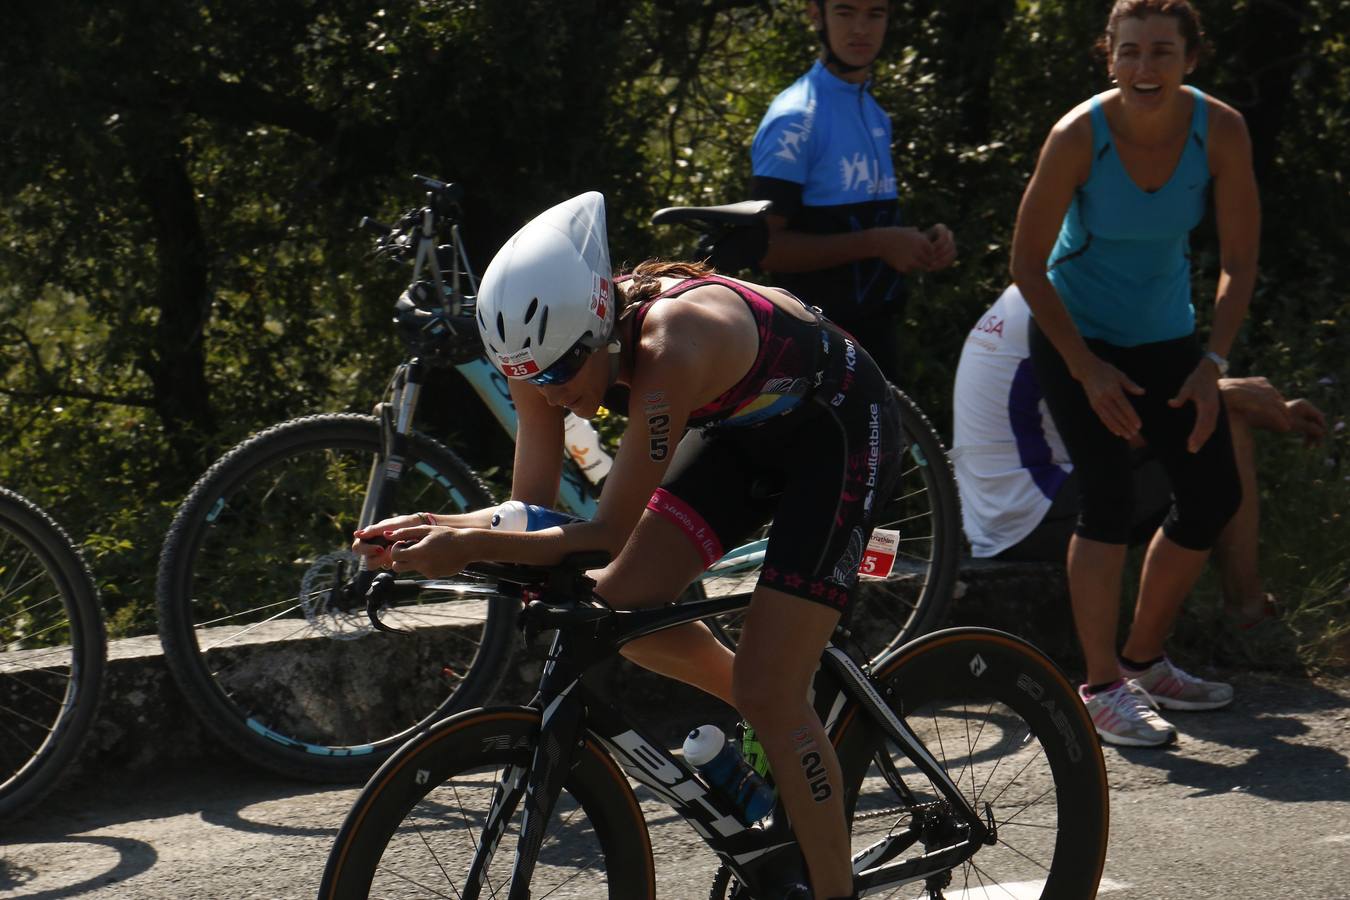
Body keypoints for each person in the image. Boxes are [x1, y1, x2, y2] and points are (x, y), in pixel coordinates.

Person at [353, 192, 902, 899]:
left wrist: (460, 548)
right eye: (527, 383)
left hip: (839, 432)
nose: (547, 398)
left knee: (771, 689)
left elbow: (602, 532)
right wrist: (442, 526)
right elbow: (533, 511)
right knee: (618, 611)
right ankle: (776, 712)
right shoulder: (538, 353)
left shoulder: (669, 347)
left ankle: (828, 870)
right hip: (746, 431)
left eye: (556, 378)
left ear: (600, 329)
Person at [1009, 0, 1265, 747]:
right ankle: (1100, 688)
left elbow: (1240, 262)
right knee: (1108, 496)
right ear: (1108, 56)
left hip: (1167, 336)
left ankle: (1145, 660)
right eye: (1129, 52)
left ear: (1191, 57)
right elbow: (1026, 264)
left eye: (1161, 52)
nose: (1143, 68)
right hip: (1074, 336)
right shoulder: (1075, 136)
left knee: (1212, 490)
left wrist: (1212, 363)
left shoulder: (1220, 130)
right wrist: (1086, 371)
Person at [952, 284, 1325, 620]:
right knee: (1225, 428)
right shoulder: (1073, 304)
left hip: (1006, 511)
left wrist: (1233, 397)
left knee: (1216, 420)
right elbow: (1122, 428)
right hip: (1029, 516)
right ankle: (1246, 610)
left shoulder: (1043, 291)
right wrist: (1229, 396)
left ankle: (1193, 609)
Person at [748, 0, 956, 382]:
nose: (861, 28)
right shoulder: (796, 118)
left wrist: (923, 241)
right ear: (816, 15)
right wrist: (879, 242)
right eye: (845, 12)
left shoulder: (874, 112)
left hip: (875, 336)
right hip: (815, 347)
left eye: (875, 13)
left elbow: (863, 224)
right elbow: (767, 249)